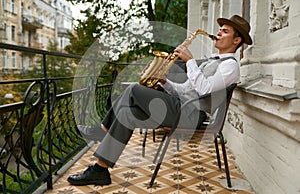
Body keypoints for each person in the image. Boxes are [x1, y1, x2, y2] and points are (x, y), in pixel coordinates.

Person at [68, 15, 252, 186]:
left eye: (225, 31)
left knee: (133, 88)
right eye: (220, 29)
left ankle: (101, 130)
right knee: (126, 114)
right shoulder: (210, 62)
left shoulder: (230, 66)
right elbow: (184, 90)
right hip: (182, 107)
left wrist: (190, 62)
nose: (219, 33)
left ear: (237, 41)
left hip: (192, 115)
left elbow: (204, 90)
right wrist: (165, 82)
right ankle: (100, 169)